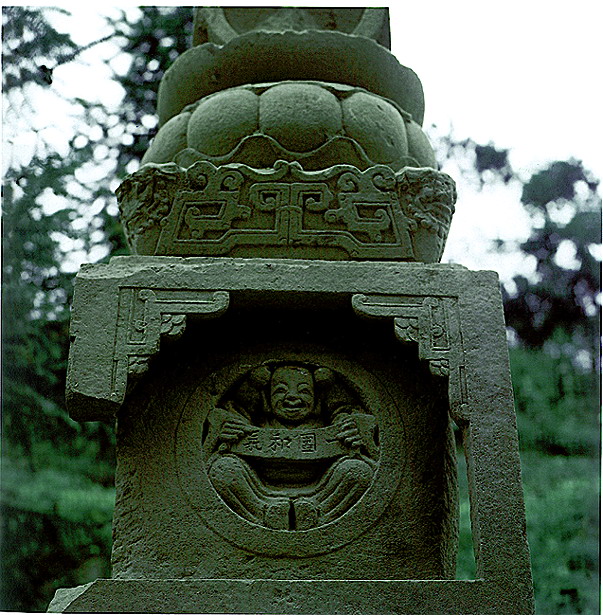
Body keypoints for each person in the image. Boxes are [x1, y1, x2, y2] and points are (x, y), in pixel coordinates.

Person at [203, 363, 378, 530]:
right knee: (223, 470)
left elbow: (352, 421)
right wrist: (228, 433)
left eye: (304, 391)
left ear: (317, 399)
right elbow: (232, 417)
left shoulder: (329, 425)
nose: (292, 396)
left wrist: (352, 432)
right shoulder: (259, 423)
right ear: (267, 399)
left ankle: (320, 513)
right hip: (259, 489)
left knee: (358, 471)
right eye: (280, 390)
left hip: (322, 489)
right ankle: (261, 513)